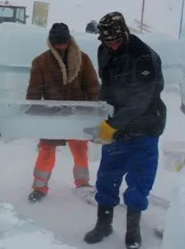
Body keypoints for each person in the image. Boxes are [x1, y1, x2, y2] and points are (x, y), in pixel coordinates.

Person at [82, 12, 166, 249]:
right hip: (117, 127)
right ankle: (104, 224)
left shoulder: (144, 57)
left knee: (140, 181)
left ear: (125, 34)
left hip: (146, 127)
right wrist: (100, 114)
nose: (112, 45)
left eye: (116, 41)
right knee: (107, 176)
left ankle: (133, 230)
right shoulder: (104, 50)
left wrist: (112, 124)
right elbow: (107, 87)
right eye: (107, 41)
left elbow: (142, 99)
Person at [26, 23, 101, 203]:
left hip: (77, 116)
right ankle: (39, 187)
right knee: (46, 152)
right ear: (51, 43)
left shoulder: (83, 59)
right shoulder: (40, 62)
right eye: (56, 44)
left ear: (69, 41)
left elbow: (93, 87)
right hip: (52, 117)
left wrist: (94, 112)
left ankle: (82, 183)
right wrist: (32, 115)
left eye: (63, 43)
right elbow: (34, 93)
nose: (60, 47)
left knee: (81, 150)